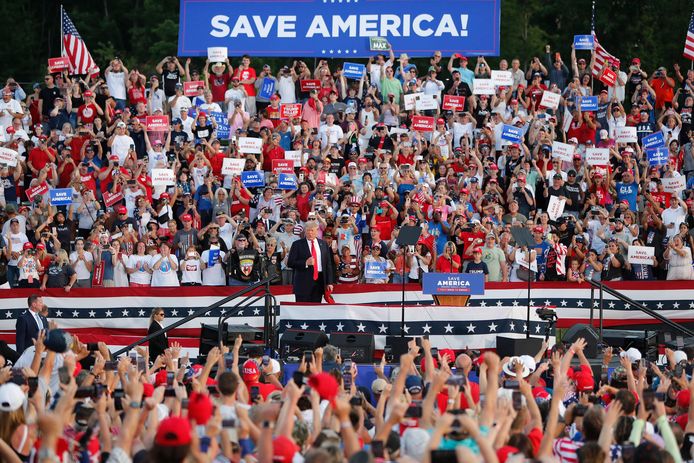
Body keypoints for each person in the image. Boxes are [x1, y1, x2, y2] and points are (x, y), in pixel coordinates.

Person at [287, 221, 335, 302]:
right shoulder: (297, 244)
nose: (310, 233)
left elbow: (328, 264)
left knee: (316, 308)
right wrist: (305, 263)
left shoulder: (323, 244)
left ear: (317, 231)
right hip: (303, 283)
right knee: (302, 309)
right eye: (308, 230)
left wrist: (329, 282)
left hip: (319, 281)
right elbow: (290, 263)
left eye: (312, 230)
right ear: (304, 231)